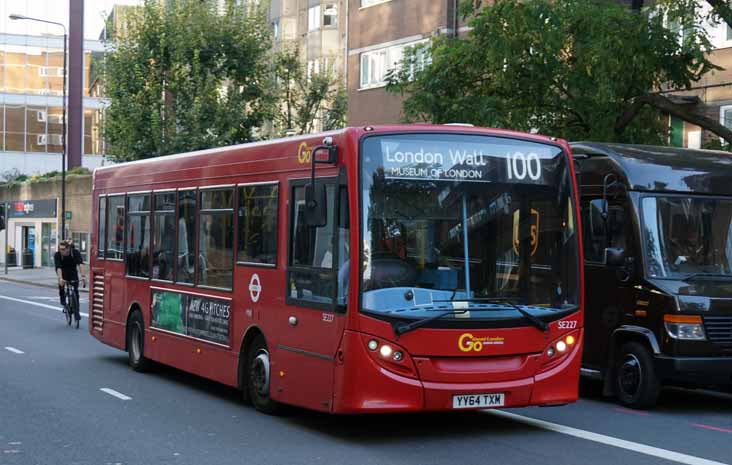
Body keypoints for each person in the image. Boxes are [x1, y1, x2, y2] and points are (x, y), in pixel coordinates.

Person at [54, 240, 86, 317]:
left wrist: (83, 276)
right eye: (60, 249)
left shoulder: (75, 252)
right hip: (62, 271)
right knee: (61, 284)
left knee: (75, 290)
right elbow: (58, 268)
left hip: (72, 271)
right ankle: (63, 299)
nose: (61, 251)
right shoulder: (57, 255)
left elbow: (80, 264)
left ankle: (76, 311)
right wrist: (60, 278)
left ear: (68, 249)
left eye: (63, 249)